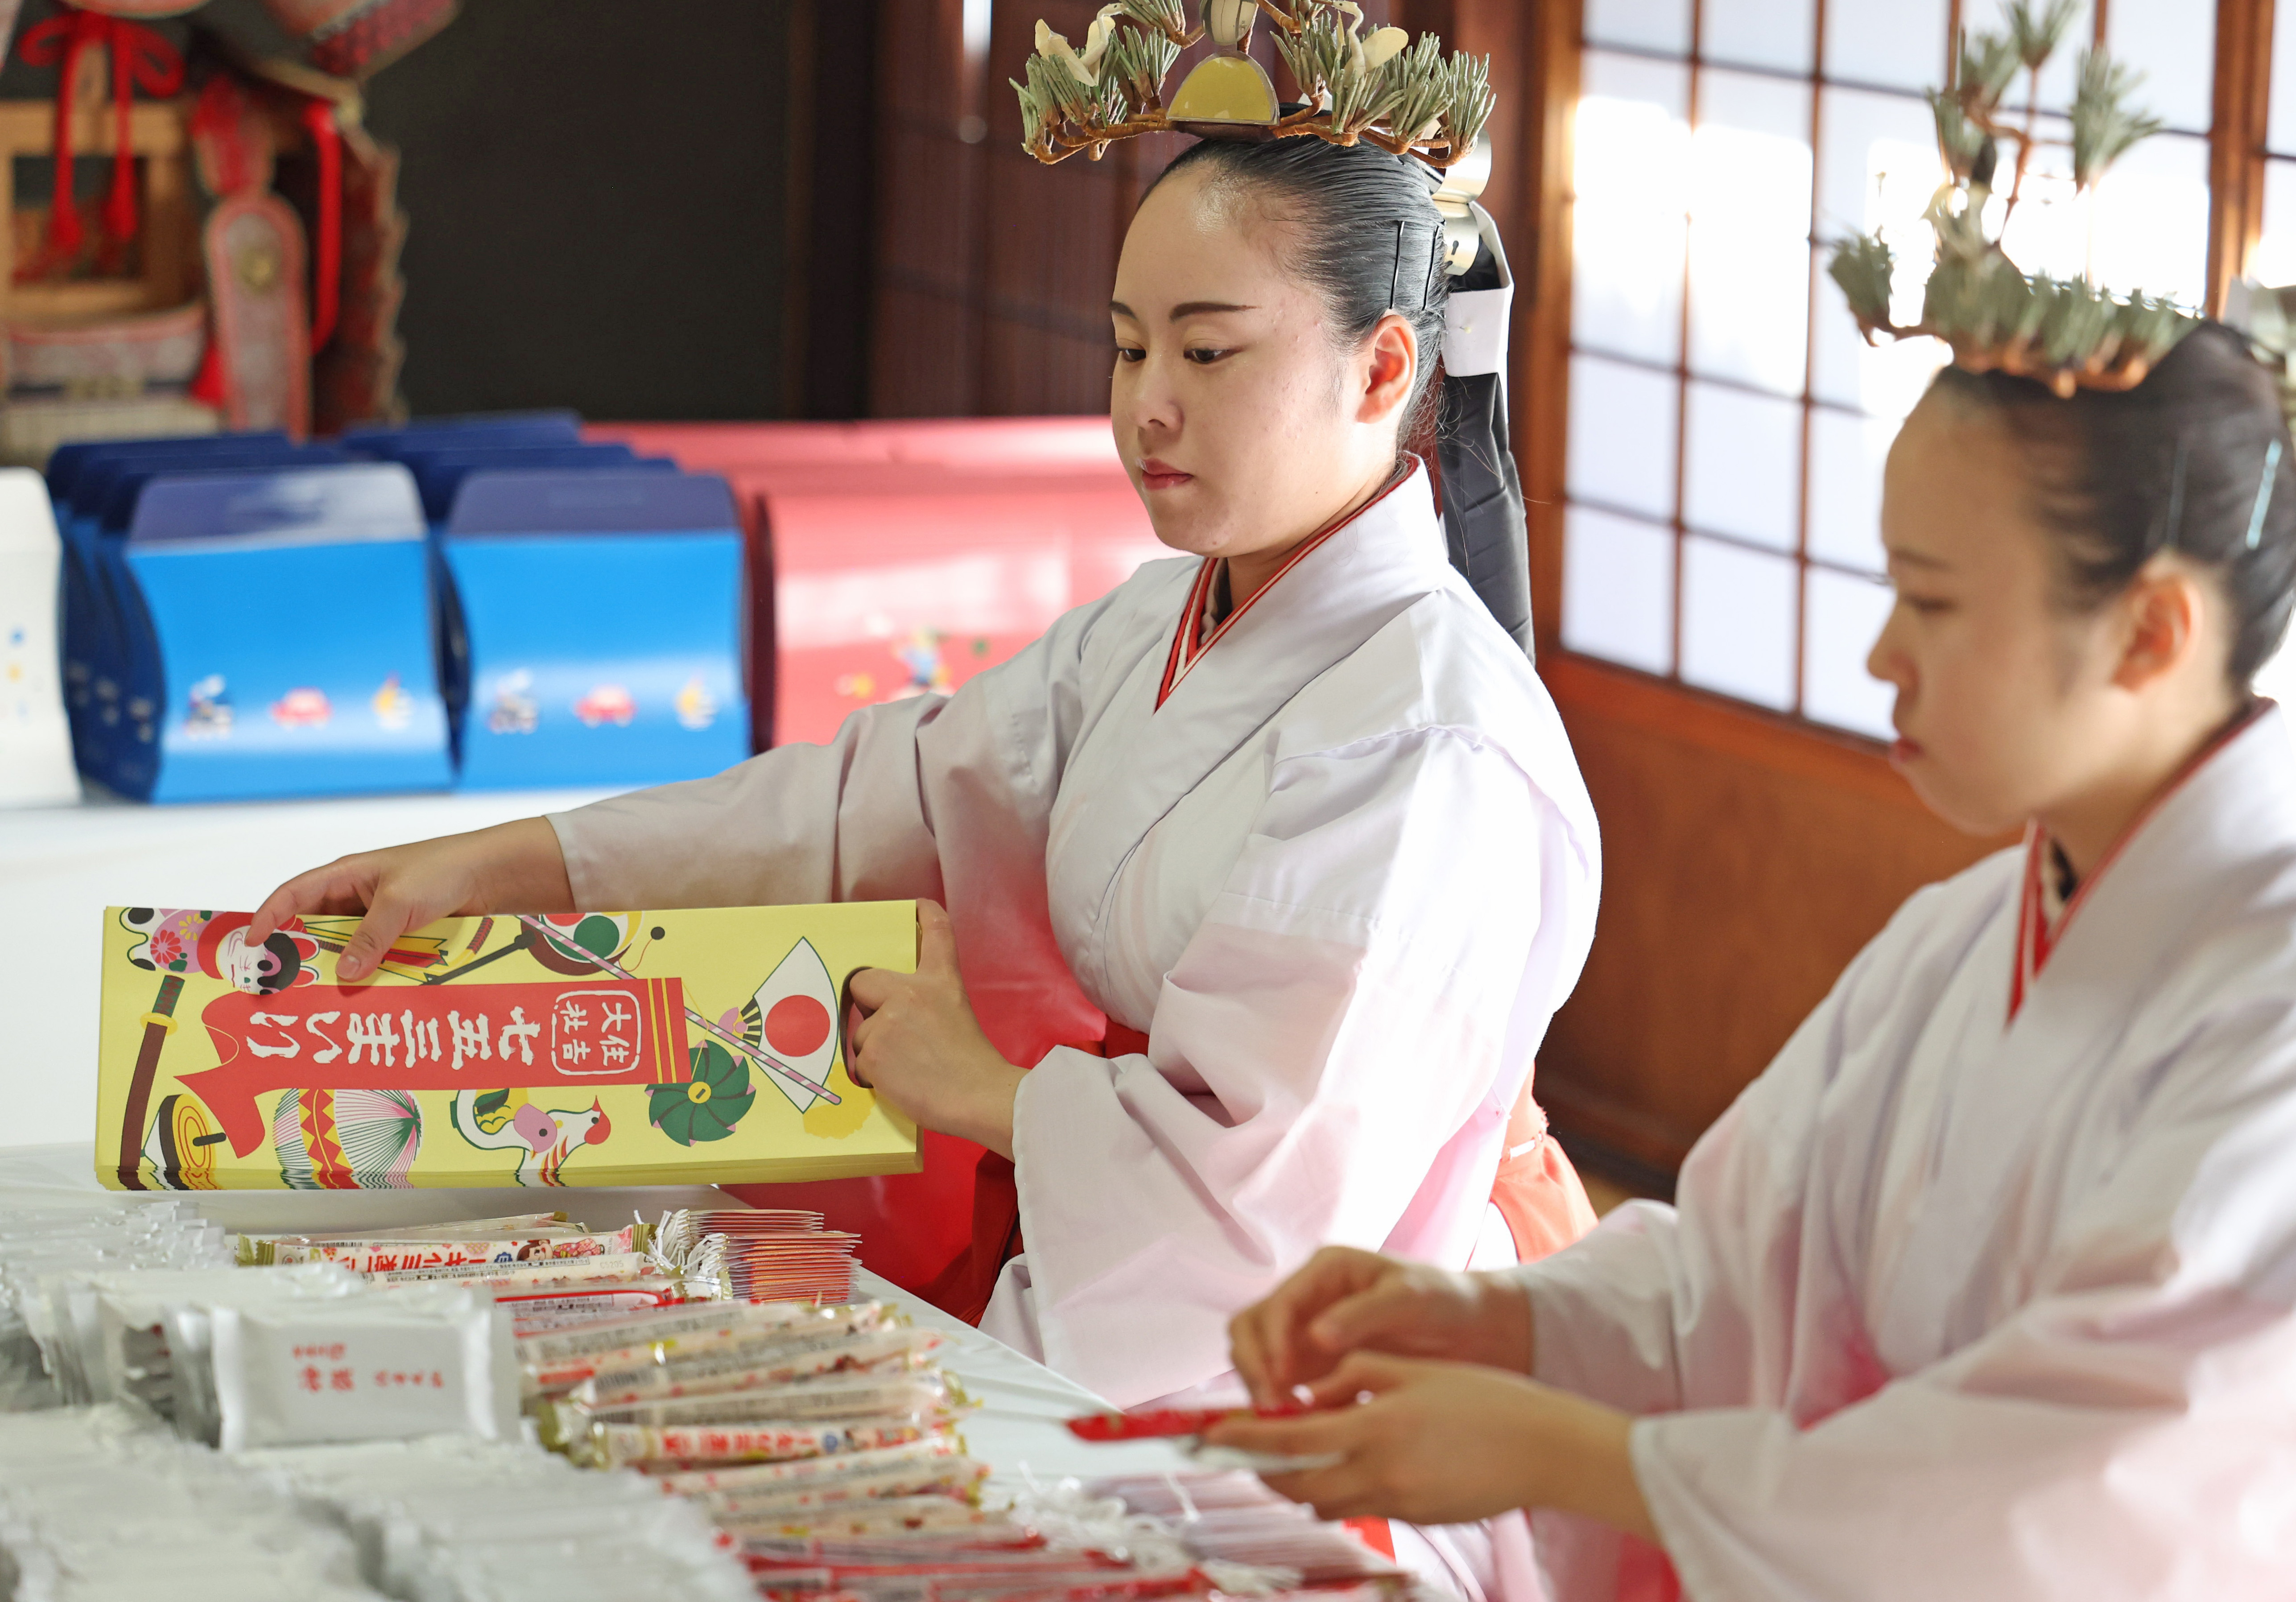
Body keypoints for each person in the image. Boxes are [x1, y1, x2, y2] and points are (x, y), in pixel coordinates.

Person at [249, 62, 1601, 1413]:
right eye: (1129, 345)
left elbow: (1278, 1210)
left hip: (1312, 1356)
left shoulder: (1426, 748)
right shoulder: (1157, 624)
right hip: (1112, 1252)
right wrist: (502, 864)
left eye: (1207, 350)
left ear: (1378, 368)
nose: (1147, 405)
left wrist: (1001, 1092)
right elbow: (886, 799)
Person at [1210, 317, 2296, 1598]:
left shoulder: (2265, 1007)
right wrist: (1491, 1320)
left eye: (1932, 600)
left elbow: (2084, 1494)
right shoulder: (1964, 935)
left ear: (2150, 631)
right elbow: (1735, 1276)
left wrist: (1570, 1450)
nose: (1882, 654)